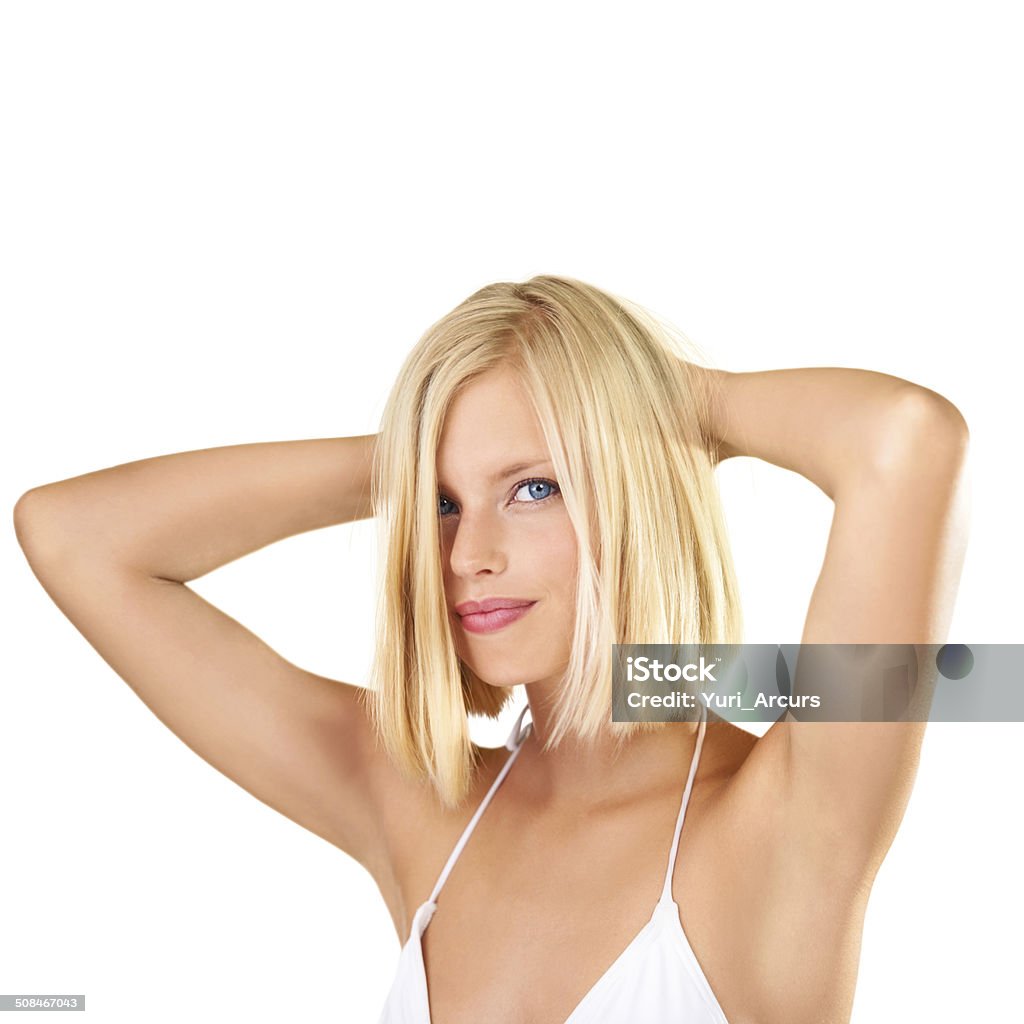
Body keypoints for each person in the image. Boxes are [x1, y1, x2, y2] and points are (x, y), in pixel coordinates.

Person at [13, 275, 970, 1023]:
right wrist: (418, 447)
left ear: (630, 481)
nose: (469, 554)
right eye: (442, 504)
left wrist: (642, 398)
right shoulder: (422, 805)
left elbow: (904, 439)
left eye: (533, 489)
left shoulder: (784, 817)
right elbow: (71, 536)